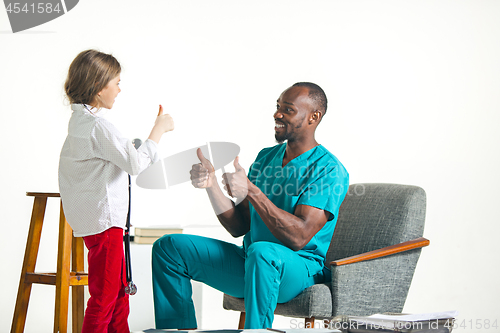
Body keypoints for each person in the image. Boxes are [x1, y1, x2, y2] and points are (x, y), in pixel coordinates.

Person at [152, 82, 349, 329]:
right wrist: (211, 185)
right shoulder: (266, 157)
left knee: (263, 252)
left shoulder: (329, 169)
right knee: (169, 247)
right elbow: (239, 226)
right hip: (251, 261)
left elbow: (299, 237)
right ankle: (175, 329)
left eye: (287, 109)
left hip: (298, 270)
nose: (277, 114)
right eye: (278, 107)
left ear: (313, 117)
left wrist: (252, 191)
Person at [58, 49, 174, 333]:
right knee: (106, 298)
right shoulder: (98, 126)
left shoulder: (80, 124)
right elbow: (135, 164)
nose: (120, 90)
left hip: (98, 225)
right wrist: (157, 131)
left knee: (119, 297)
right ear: (99, 88)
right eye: (117, 83)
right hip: (106, 225)